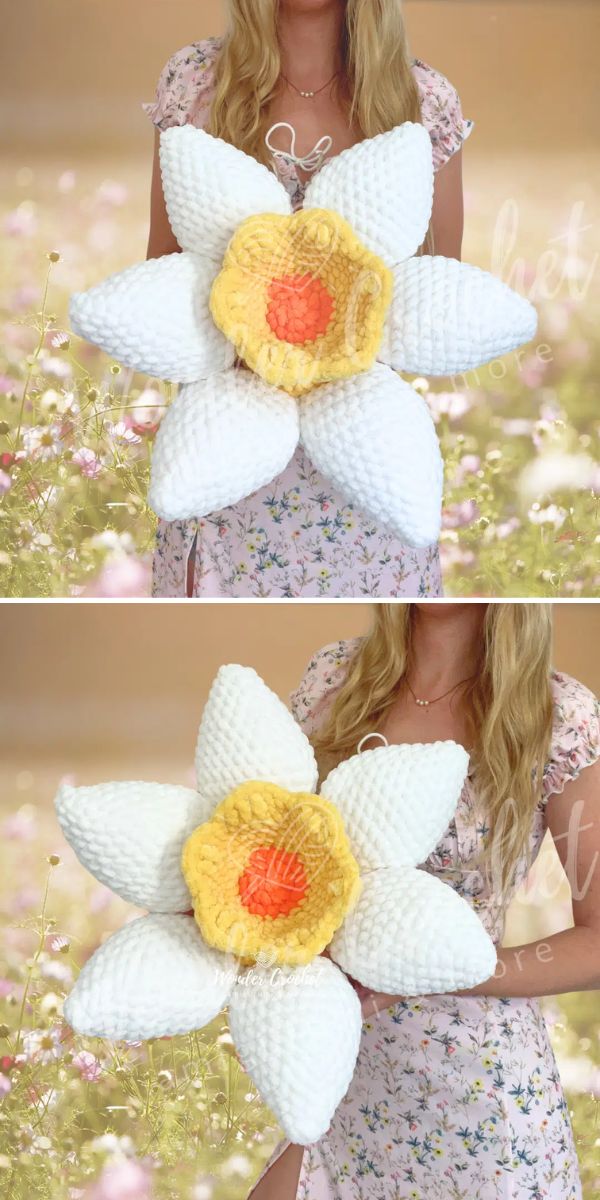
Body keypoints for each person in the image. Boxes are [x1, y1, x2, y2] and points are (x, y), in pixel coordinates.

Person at [247, 602, 600, 1198]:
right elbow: (276, 848)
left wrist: (439, 971)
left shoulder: (556, 713)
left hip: (480, 1101)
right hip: (341, 1068)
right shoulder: (335, 679)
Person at [144, 0, 472, 598]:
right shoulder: (197, 82)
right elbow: (164, 269)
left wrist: (322, 343)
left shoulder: (422, 98)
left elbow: (432, 293)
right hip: (225, 453)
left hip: (368, 465)